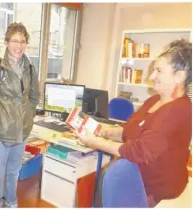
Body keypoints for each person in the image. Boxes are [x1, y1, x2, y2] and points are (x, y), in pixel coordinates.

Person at [78, 39, 192, 207]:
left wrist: (95, 142)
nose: (151, 76)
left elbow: (140, 151)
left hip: (155, 191)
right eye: (154, 70)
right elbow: (129, 131)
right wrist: (103, 131)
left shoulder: (178, 110)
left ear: (179, 76)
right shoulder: (154, 100)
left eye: (159, 71)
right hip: (135, 177)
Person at [0, 22, 40, 208]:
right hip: (0, 132)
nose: (19, 45)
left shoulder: (30, 68)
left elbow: (35, 97)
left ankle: (12, 202)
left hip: (21, 131)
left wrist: (27, 116)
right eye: (15, 41)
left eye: (22, 41)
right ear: (6, 42)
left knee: (14, 171)